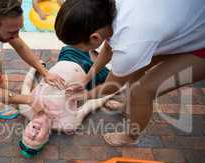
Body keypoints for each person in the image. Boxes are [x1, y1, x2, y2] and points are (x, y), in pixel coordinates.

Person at [55, 0, 205, 146]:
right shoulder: (106, 12)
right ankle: (128, 107)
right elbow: (108, 47)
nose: (82, 51)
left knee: (142, 91)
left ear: (94, 37)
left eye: (80, 48)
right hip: (182, 26)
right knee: (135, 70)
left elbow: (111, 87)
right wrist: (86, 79)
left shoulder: (130, 46)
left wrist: (85, 96)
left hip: (199, 42)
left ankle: (131, 136)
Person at [18, 45, 117, 158]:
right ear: (46, 137)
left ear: (25, 129)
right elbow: (91, 105)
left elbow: (27, 84)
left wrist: (35, 68)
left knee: (82, 35)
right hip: (91, 76)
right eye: (35, 140)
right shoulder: (67, 124)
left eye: (28, 137)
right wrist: (111, 93)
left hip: (69, 57)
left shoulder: (25, 108)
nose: (33, 133)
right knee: (120, 70)